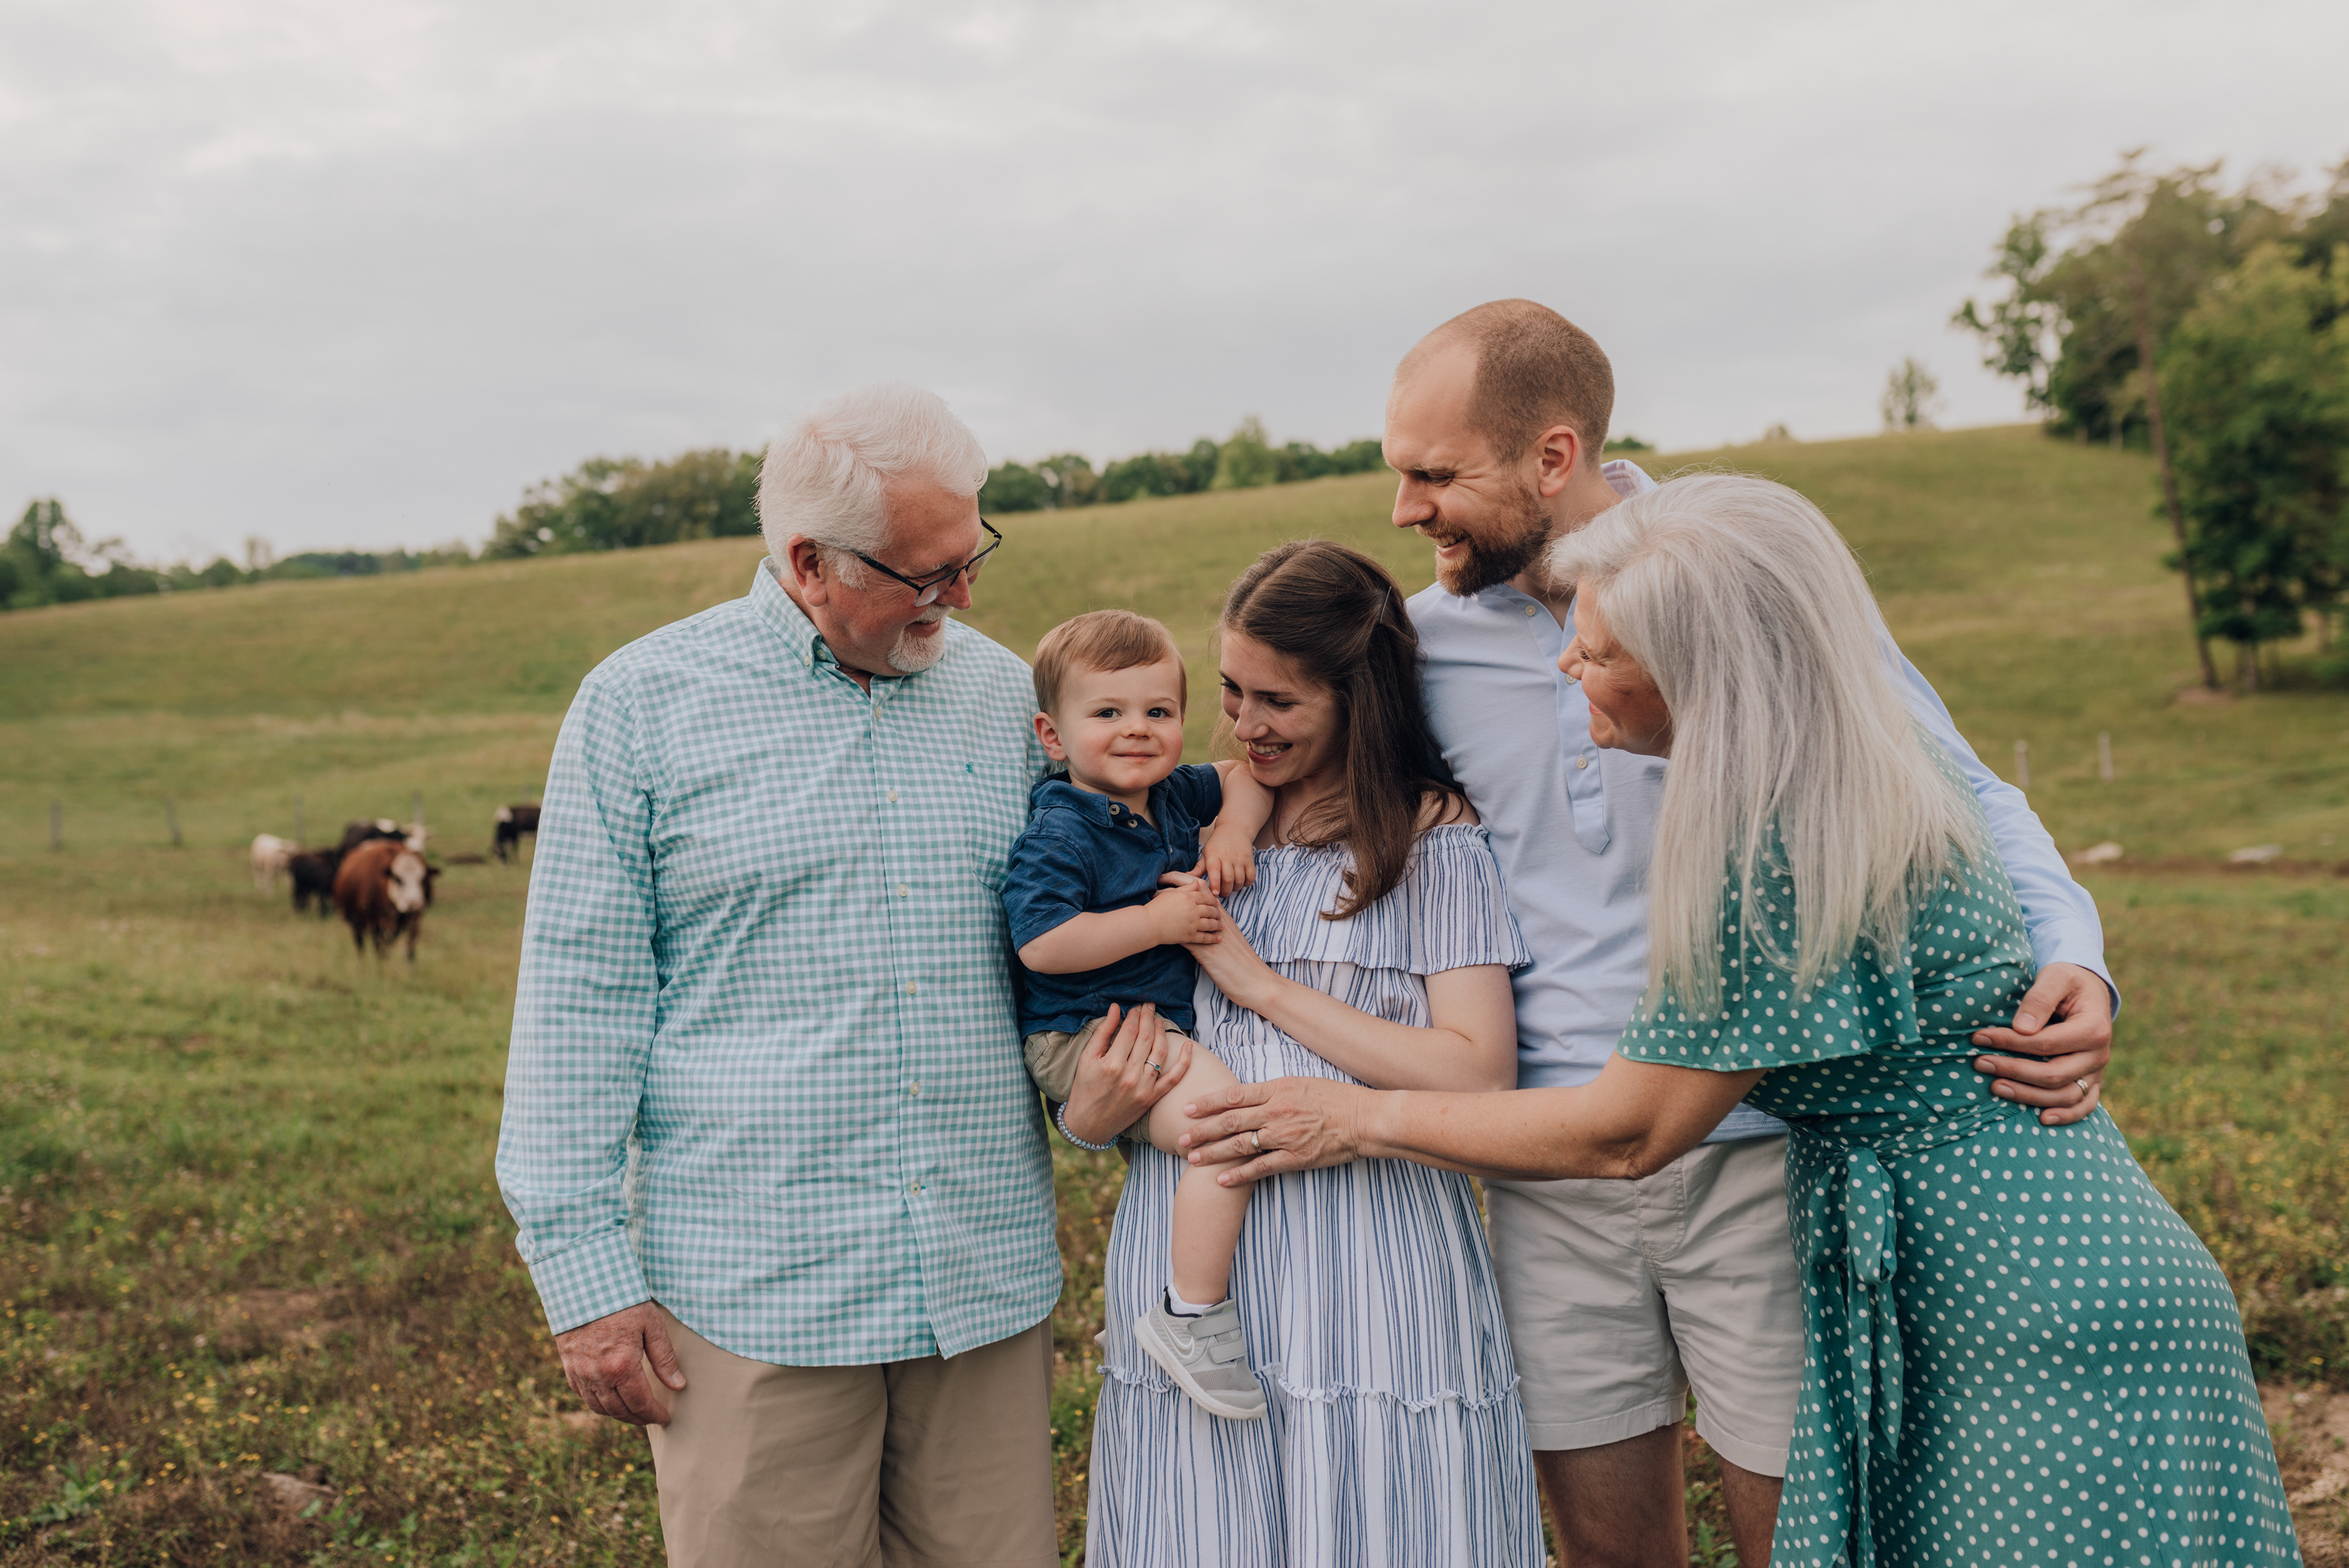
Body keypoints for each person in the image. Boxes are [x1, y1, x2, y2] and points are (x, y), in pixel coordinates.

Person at [1180, 475, 2302, 1567]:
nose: (1567, 666)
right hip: (2048, 1256)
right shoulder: (1848, 766)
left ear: (1696, 669)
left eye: (1599, 654)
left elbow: (1630, 1132)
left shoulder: (1771, 841)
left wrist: (1357, 1118)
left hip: (2009, 1299)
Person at [1375, 299, 2120, 1565]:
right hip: (1548, 1161)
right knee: (1609, 1549)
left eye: (1436, 475)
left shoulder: (1729, 574)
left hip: (1764, 1147)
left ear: (1554, 456)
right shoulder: (1420, 646)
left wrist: (2074, 953)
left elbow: (1955, 785)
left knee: (1805, 1537)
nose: (1405, 508)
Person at [495, 381, 1189, 1568]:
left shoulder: (1010, 703)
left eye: (972, 557)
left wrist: (1091, 1100)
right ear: (810, 561)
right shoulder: (641, 708)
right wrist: (586, 1280)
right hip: (757, 1299)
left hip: (982, 1281)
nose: (963, 596)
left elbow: (1082, 928)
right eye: (928, 574)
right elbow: (577, 1007)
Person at [1076, 541, 1543, 1568]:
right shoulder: (1189, 822)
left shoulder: (1425, 836)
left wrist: (1262, 987)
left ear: (1358, 699)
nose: (1246, 725)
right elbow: (1103, 1025)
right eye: (1233, 692)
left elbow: (1479, 1073)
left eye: (1279, 701)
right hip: (1194, 1255)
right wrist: (1091, 1112)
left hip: (1367, 1256)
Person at [1003, 608, 1275, 1420]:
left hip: (1140, 1021)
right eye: (1108, 712)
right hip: (1084, 1033)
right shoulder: (1062, 830)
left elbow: (1245, 776)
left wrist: (1230, 833)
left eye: (1158, 711)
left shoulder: (1170, 794)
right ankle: (1189, 1315)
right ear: (1054, 736)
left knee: (1197, 1145)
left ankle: (1150, 1296)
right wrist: (1156, 924)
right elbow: (1043, 943)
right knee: (1225, 1127)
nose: (1136, 730)